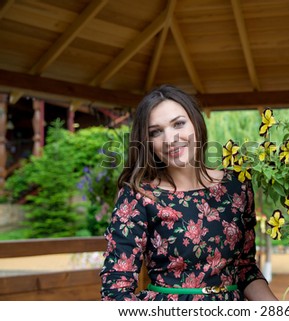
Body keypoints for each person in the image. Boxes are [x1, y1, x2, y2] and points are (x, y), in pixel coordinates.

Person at [100, 84, 278, 301]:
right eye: (156, 132)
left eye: (178, 124)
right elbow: (115, 291)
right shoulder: (138, 196)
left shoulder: (237, 186)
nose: (170, 139)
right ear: (146, 142)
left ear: (196, 122)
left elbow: (245, 269)